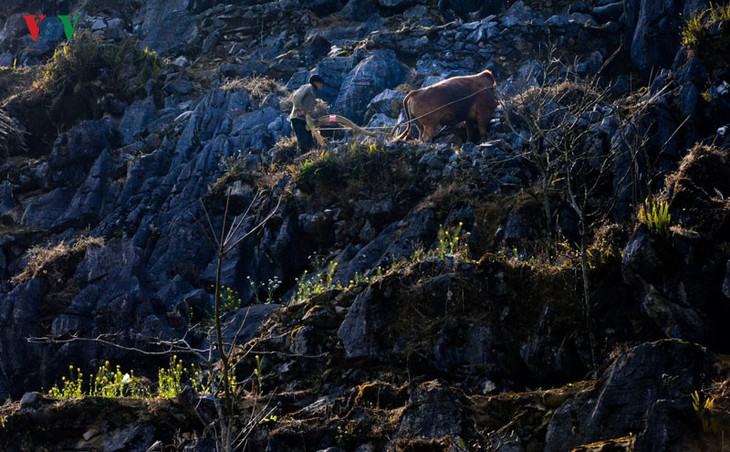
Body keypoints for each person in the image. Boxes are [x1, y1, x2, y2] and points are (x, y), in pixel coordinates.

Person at [289, 75, 324, 153]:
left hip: (306, 120)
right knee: (303, 140)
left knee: (310, 140)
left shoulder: (313, 92)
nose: (321, 85)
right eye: (320, 83)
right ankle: (302, 158)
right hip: (298, 119)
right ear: (315, 82)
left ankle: (310, 156)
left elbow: (308, 111)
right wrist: (298, 109)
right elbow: (296, 96)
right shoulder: (308, 87)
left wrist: (314, 122)